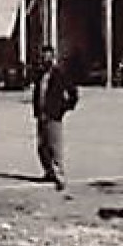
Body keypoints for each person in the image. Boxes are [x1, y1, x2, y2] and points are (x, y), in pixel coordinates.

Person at [30, 45, 78, 191]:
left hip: (54, 115)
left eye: (48, 57)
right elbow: (37, 94)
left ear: (52, 57)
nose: (45, 60)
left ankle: (59, 175)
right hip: (41, 115)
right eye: (43, 57)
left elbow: (73, 92)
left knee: (55, 146)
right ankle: (48, 171)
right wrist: (36, 111)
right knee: (42, 146)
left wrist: (64, 107)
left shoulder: (59, 74)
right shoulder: (40, 75)